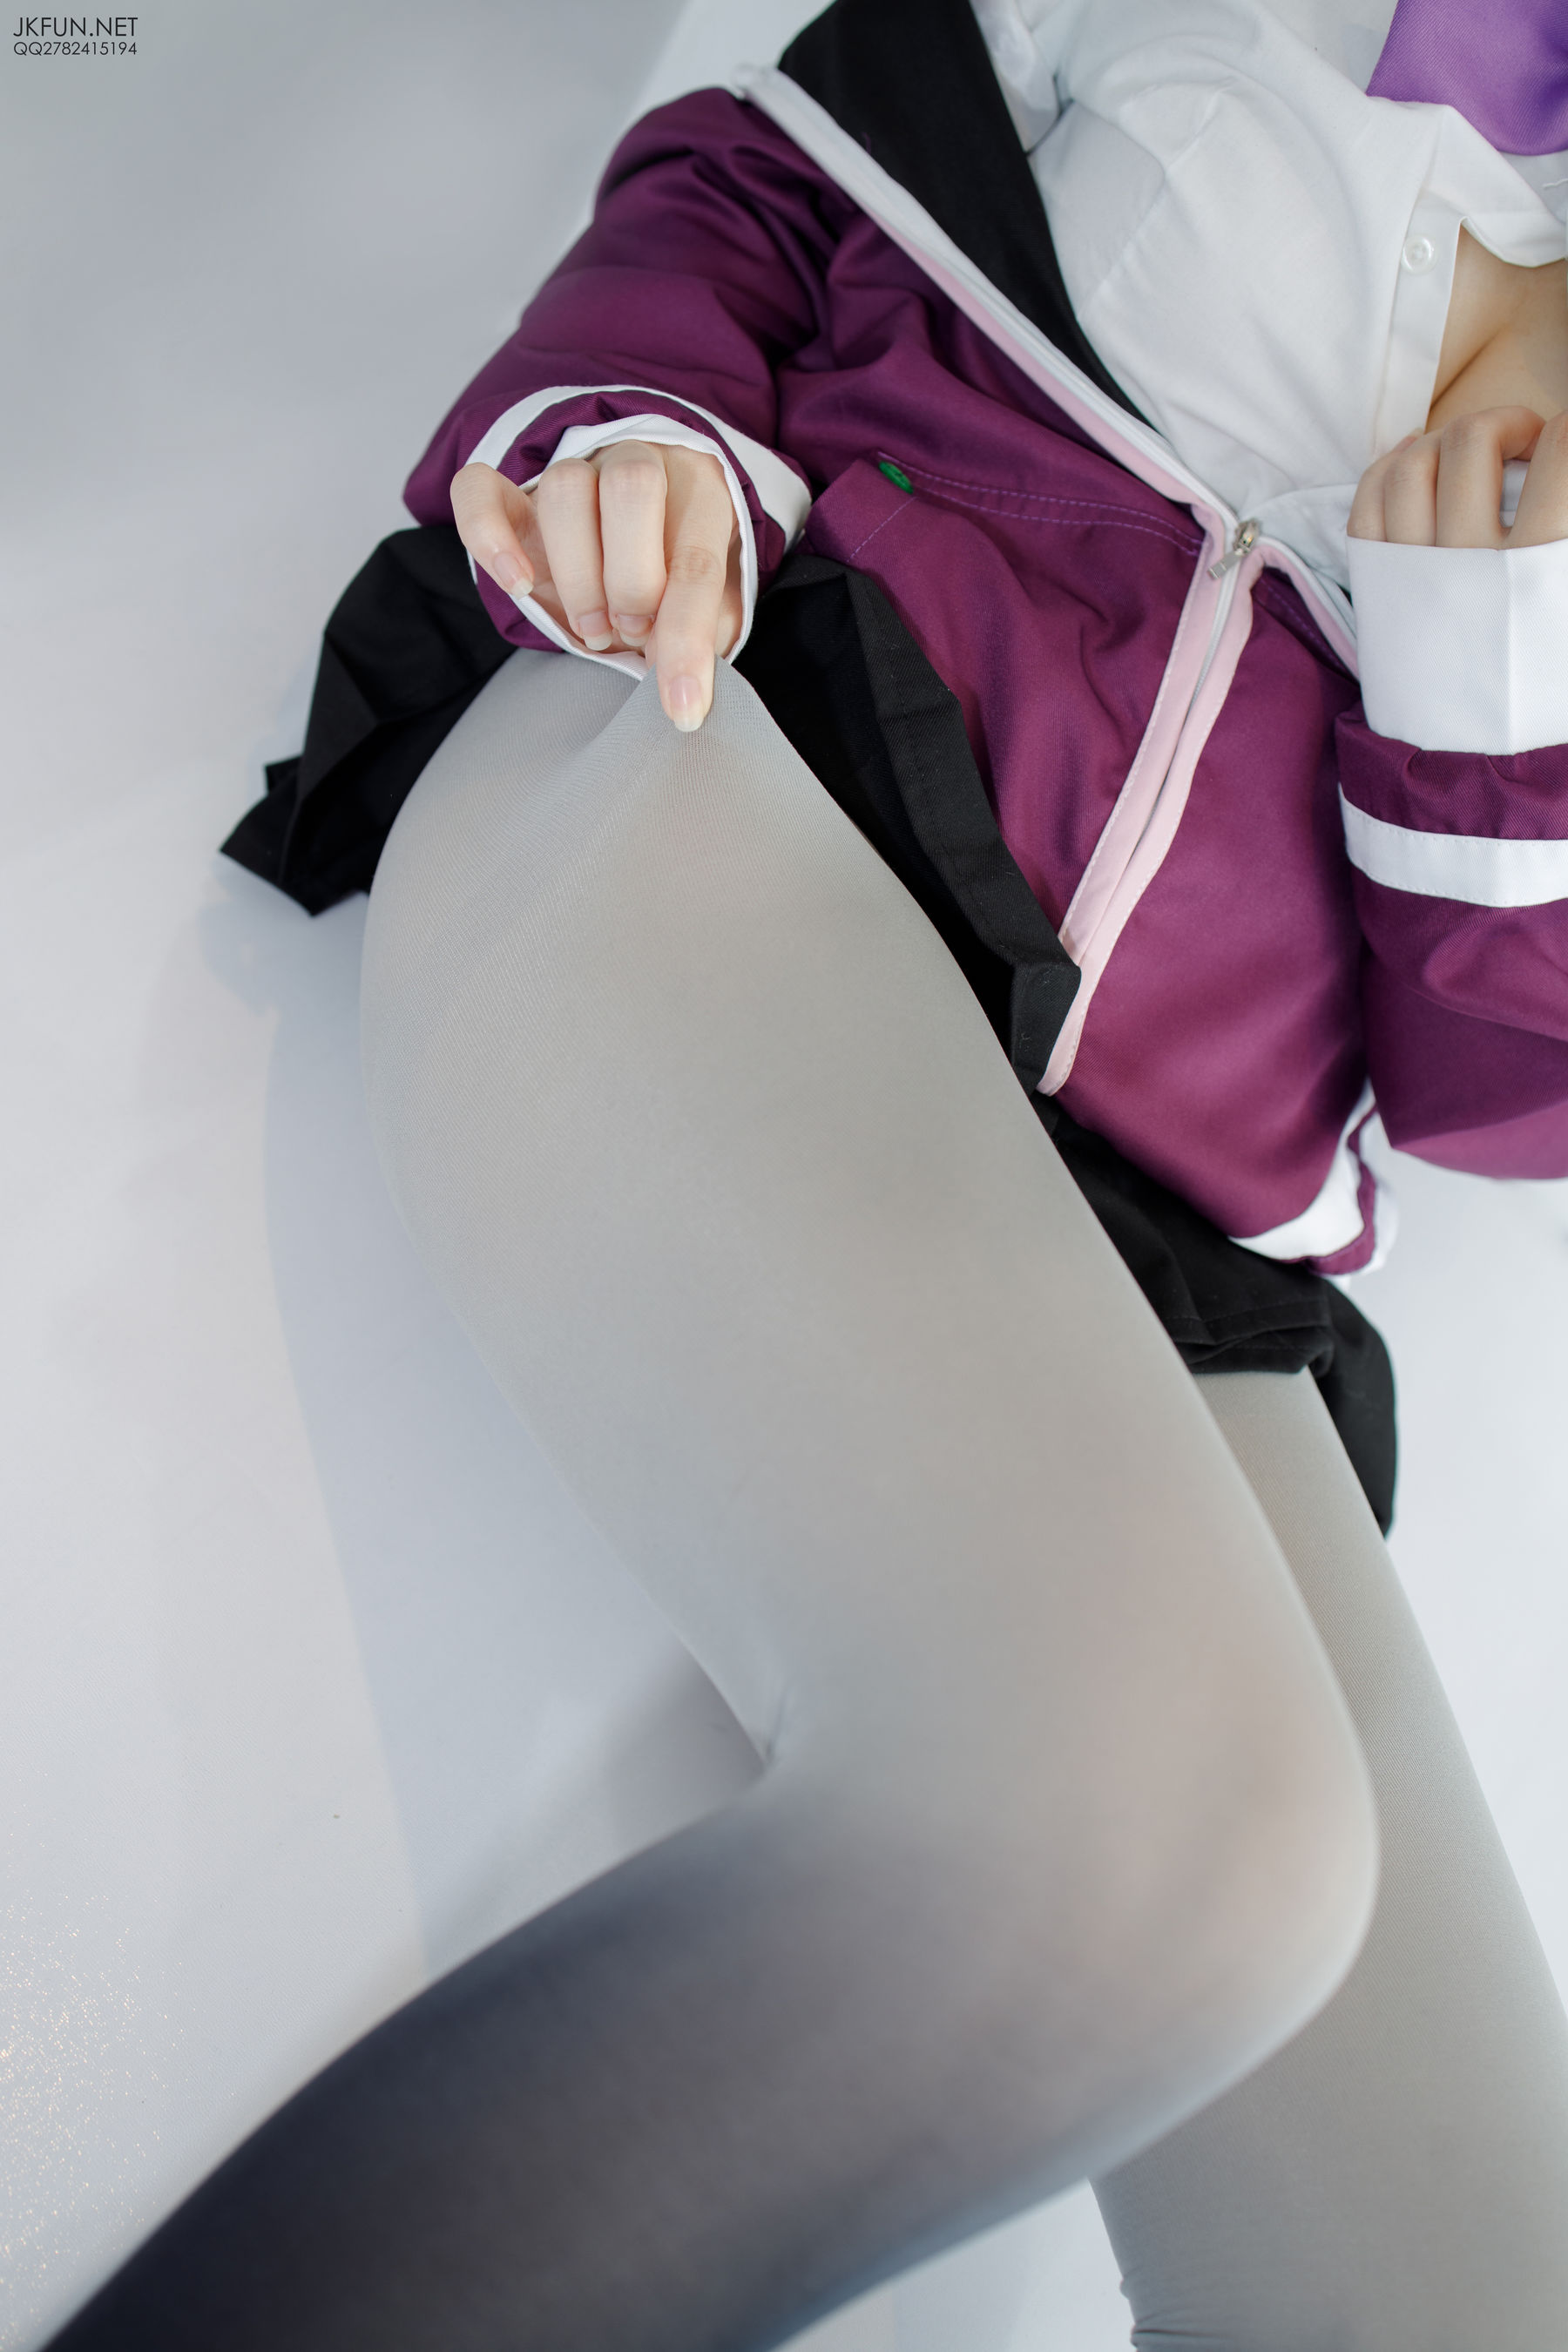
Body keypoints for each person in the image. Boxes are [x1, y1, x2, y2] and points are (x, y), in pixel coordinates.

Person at [51, 0, 1568, 2345]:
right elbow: (750, 176)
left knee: (1470, 2282)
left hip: (1165, 1237)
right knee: (1154, 1849)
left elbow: (1498, 1089)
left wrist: (1492, 649)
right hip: (734, 762)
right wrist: (636, 449)